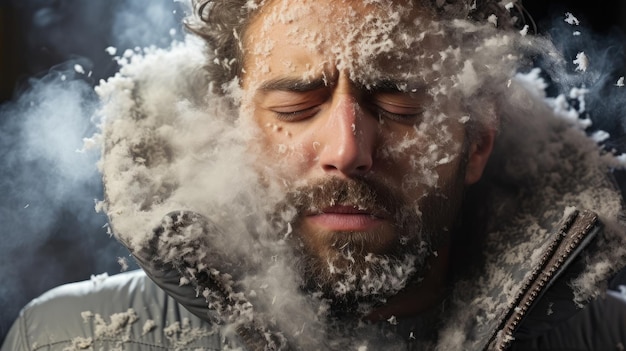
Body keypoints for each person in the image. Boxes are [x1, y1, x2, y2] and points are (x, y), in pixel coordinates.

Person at [3, 0, 626, 350]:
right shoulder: (65, 340)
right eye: (296, 105)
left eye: (401, 103)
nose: (348, 147)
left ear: (479, 139)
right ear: (232, 130)